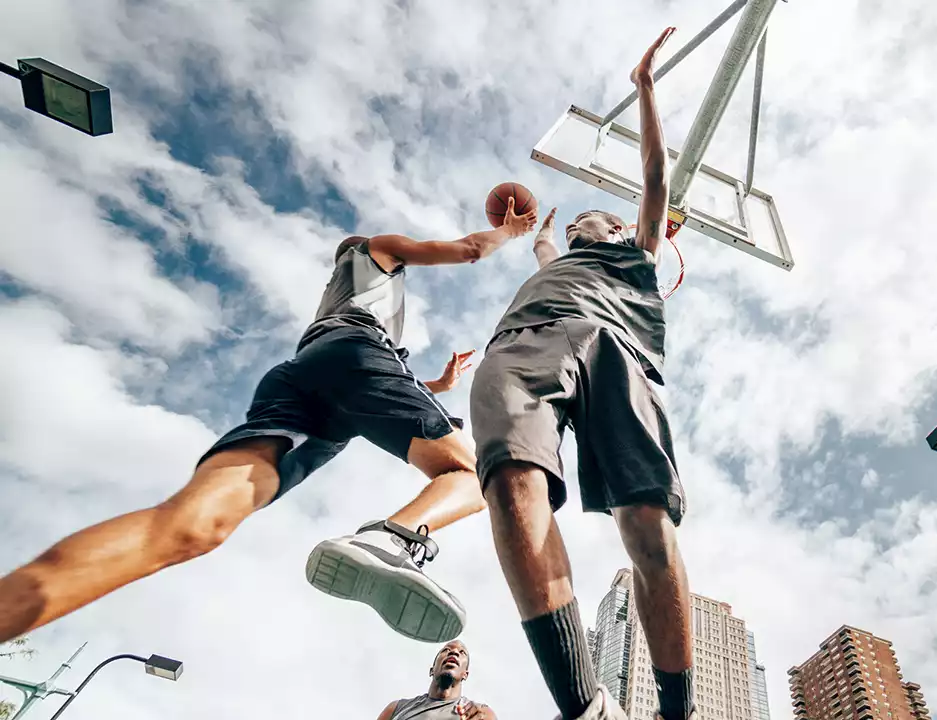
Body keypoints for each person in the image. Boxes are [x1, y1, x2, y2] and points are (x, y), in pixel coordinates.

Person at [0, 202, 538, 645]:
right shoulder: (381, 248)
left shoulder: (342, 289)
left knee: (190, 525)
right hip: (355, 358)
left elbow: (363, 382)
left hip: (304, 376)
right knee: (487, 472)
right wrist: (507, 232)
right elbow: (468, 251)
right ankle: (391, 539)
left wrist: (437, 386)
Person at [469, 28, 698, 720]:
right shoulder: (554, 265)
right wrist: (533, 228)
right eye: (572, 233)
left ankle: (676, 709)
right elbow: (544, 242)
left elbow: (656, 176)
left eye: (588, 224)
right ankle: (585, 707)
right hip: (524, 344)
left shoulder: (639, 257)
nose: (577, 233)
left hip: (612, 350)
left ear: (621, 231)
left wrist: (646, 91)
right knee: (511, 485)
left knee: (646, 527)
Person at [377, 640, 496, 720]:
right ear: (432, 670)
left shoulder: (479, 713)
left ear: (465, 674)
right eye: (446, 650)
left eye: (462, 652)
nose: (454, 652)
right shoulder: (396, 708)